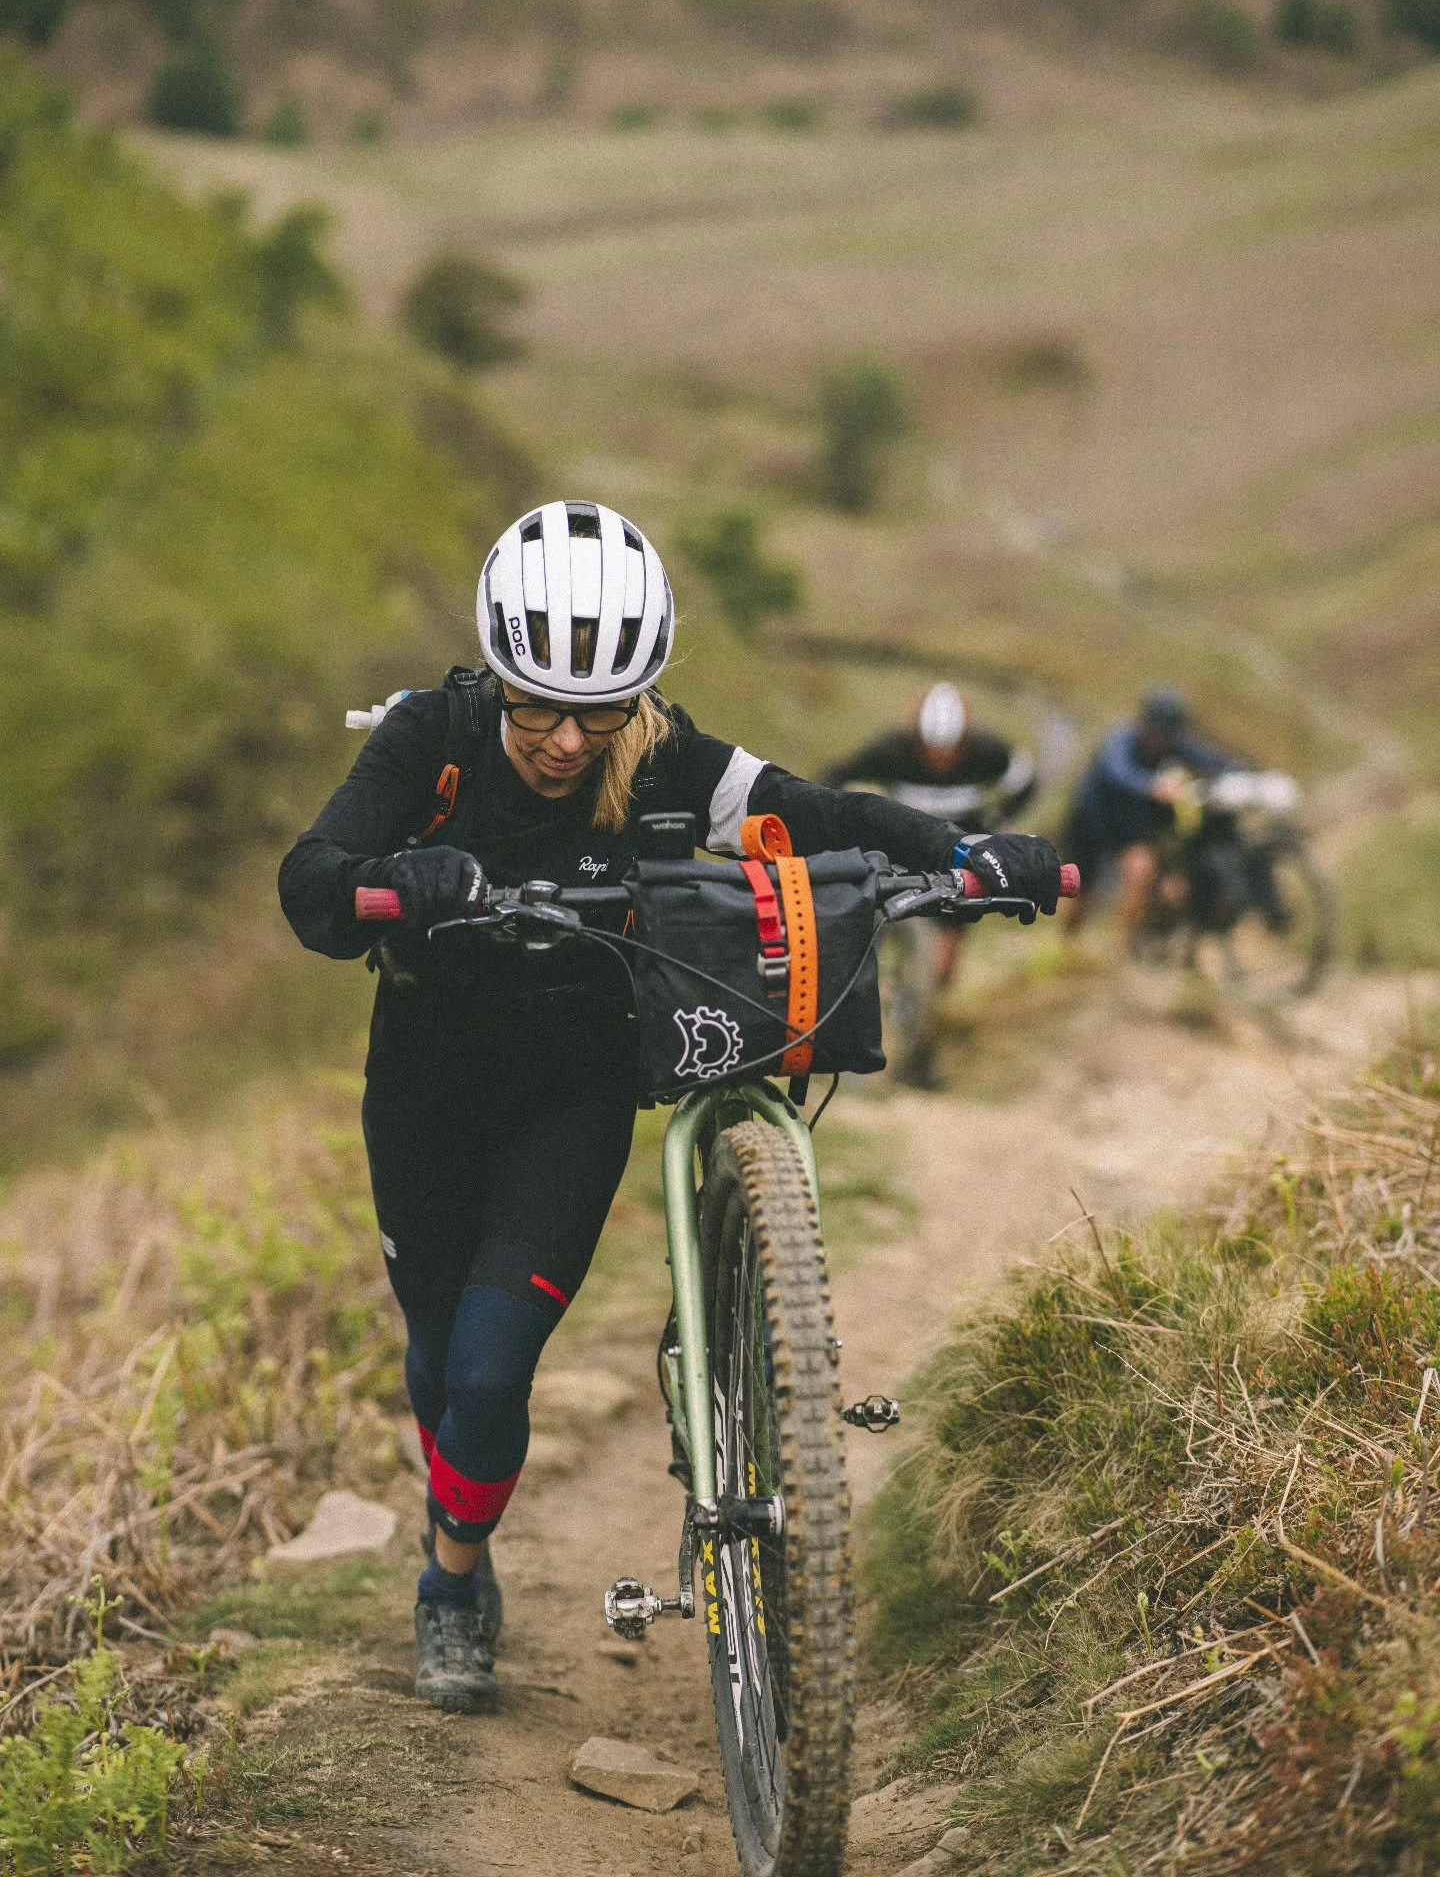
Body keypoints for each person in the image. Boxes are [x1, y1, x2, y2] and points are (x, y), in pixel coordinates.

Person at [278, 501, 1062, 1715]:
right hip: (426, 1089)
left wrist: (967, 854)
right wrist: (401, 876)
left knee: (489, 1377)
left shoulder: (662, 761)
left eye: (598, 711)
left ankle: (448, 1586)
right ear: (498, 676)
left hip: (575, 1091)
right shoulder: (428, 740)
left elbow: (821, 816)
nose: (563, 739)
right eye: (536, 706)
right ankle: (467, 1555)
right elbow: (314, 884)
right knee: (437, 1369)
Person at [821, 683, 1038, 1087]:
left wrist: (996, 820)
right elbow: (834, 777)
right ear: (917, 738)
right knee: (869, 945)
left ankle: (920, 1043)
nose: (940, 760)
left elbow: (1026, 776)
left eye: (950, 751)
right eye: (930, 750)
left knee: (942, 967)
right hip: (900, 866)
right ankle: (853, 1044)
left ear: (966, 740)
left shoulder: (988, 753)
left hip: (961, 871)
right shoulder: (892, 752)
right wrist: (851, 817)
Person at [1062, 686, 1234, 954]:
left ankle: (1122, 949)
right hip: (1093, 823)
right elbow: (1117, 771)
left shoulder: (1175, 742)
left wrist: (1245, 774)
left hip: (1133, 825)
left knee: (1142, 872)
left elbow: (1213, 760)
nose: (1162, 740)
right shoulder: (1119, 740)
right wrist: (1151, 786)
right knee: (1080, 890)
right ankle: (1067, 947)